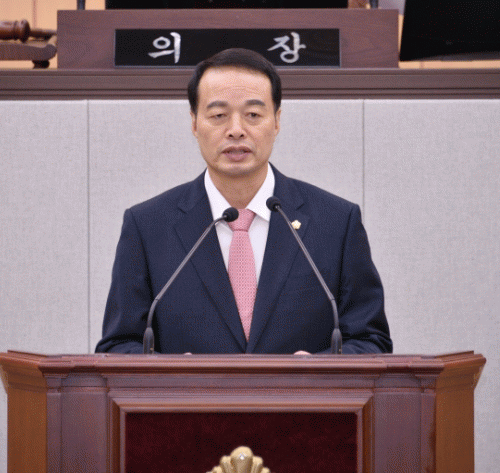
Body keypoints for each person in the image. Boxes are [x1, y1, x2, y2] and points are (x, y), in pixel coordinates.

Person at [96, 48, 392, 354]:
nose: (236, 131)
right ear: (194, 123)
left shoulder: (336, 222)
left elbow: (371, 341)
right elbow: (118, 346)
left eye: (253, 115)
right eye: (218, 116)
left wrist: (319, 370)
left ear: (276, 121)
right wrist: (172, 373)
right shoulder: (148, 226)